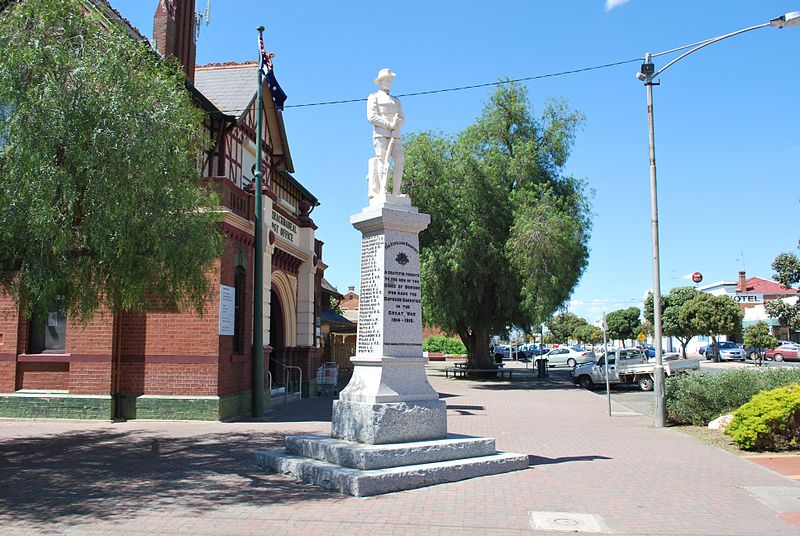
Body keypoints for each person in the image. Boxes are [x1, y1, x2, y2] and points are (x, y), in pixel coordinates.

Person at [366, 68, 405, 199]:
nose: (389, 82)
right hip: (381, 134)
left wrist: (397, 123)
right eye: (387, 80)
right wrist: (389, 124)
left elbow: (403, 118)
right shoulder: (374, 97)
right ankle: (382, 190)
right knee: (383, 162)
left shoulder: (396, 100)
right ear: (380, 82)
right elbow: (371, 117)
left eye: (390, 80)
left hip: (395, 135)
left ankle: (396, 191)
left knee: (400, 160)